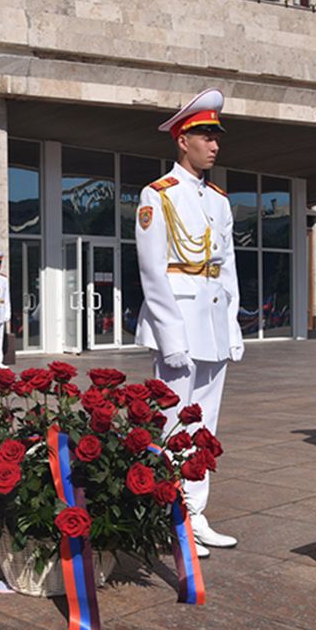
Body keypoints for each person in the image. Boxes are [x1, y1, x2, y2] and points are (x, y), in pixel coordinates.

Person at [135, 88, 243, 558]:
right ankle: (170, 514)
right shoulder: (156, 195)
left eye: (216, 136)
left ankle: (195, 512)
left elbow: (227, 267)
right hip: (180, 321)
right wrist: (169, 334)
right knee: (174, 422)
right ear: (182, 140)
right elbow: (152, 270)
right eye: (204, 136)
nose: (214, 145)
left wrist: (234, 325)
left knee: (206, 426)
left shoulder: (218, 200)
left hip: (214, 321)